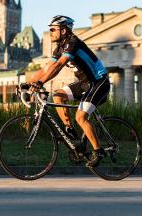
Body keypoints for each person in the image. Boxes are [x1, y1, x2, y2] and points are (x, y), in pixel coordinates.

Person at [26, 15, 110, 167]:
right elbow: (46, 68)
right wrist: (27, 83)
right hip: (85, 83)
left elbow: (58, 66)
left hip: (99, 82)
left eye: (53, 29)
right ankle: (70, 131)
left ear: (63, 30)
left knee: (81, 117)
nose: (50, 32)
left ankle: (98, 151)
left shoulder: (73, 43)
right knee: (58, 96)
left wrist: (40, 82)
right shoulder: (60, 47)